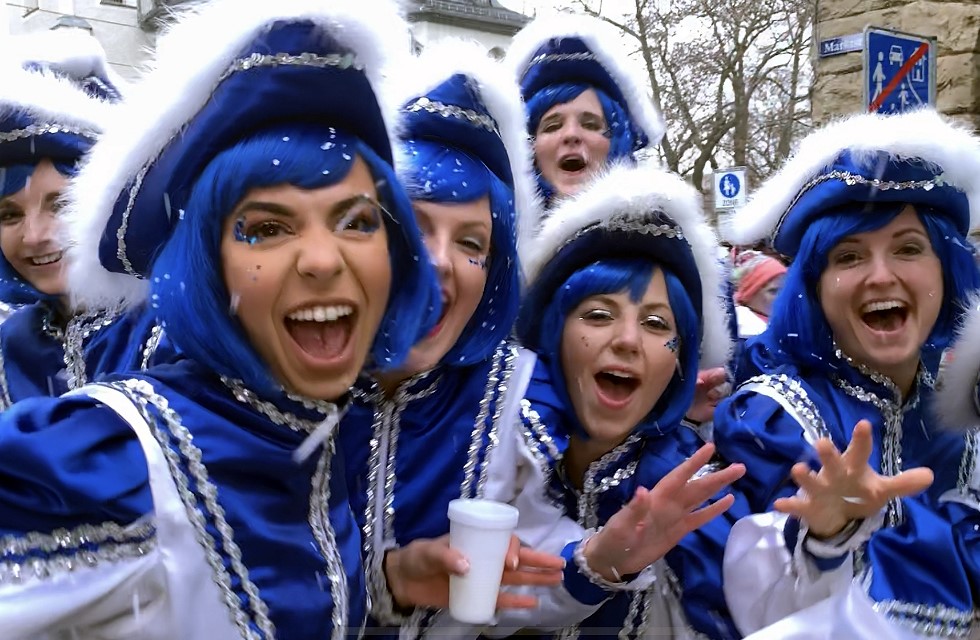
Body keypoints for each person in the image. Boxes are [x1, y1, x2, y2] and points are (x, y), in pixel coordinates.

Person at [0, 1, 442, 636]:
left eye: (357, 221)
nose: (323, 259)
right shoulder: (129, 454)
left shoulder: (304, 421)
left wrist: (386, 583)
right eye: (266, 227)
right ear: (208, 266)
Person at [714, 108, 980, 638]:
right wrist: (826, 538)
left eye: (908, 248)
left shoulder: (959, 412)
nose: (881, 275)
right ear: (815, 287)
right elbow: (765, 614)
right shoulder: (774, 416)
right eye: (849, 256)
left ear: (945, 272)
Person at [337, 40, 562, 636]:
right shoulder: (280, 381)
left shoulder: (518, 392)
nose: (440, 262)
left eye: (471, 244)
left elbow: (539, 569)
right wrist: (388, 579)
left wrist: (603, 561)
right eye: (413, 223)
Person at [504, 159, 748, 638]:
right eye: (598, 315)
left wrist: (825, 545)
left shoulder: (694, 501)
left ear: (679, 362)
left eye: (657, 324)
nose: (628, 341)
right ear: (554, 335)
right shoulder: (494, 454)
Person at [504, 13, 664, 206]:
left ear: (617, 142)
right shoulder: (489, 230)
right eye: (552, 126)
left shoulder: (659, 233)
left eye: (590, 124)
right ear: (530, 148)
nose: (571, 134)